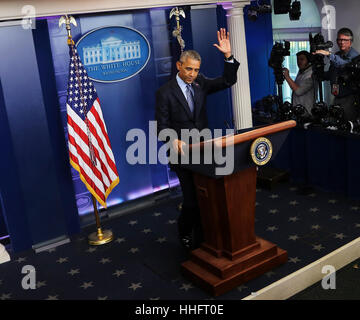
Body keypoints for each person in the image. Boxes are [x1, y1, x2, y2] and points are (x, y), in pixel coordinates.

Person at [155, 28, 240, 250]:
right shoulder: (165, 92)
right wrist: (172, 138)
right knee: (191, 201)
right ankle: (184, 233)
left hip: (204, 151)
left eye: (196, 70)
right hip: (182, 155)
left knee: (208, 197)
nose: (192, 74)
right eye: (189, 69)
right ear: (179, 66)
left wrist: (228, 57)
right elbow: (161, 126)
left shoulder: (200, 83)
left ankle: (206, 235)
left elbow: (227, 81)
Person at [314, 27, 360, 121]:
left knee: (347, 125)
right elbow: (332, 74)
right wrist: (319, 71)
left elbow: (343, 64)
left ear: (350, 42)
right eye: (339, 39)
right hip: (337, 97)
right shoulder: (337, 54)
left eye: (345, 40)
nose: (342, 42)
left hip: (349, 99)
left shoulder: (355, 56)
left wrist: (328, 54)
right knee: (334, 124)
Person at [283, 50, 316, 115]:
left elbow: (298, 91)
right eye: (298, 60)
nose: (299, 62)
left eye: (302, 59)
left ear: (308, 61)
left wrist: (287, 76)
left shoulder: (311, 74)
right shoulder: (302, 71)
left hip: (306, 112)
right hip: (298, 111)